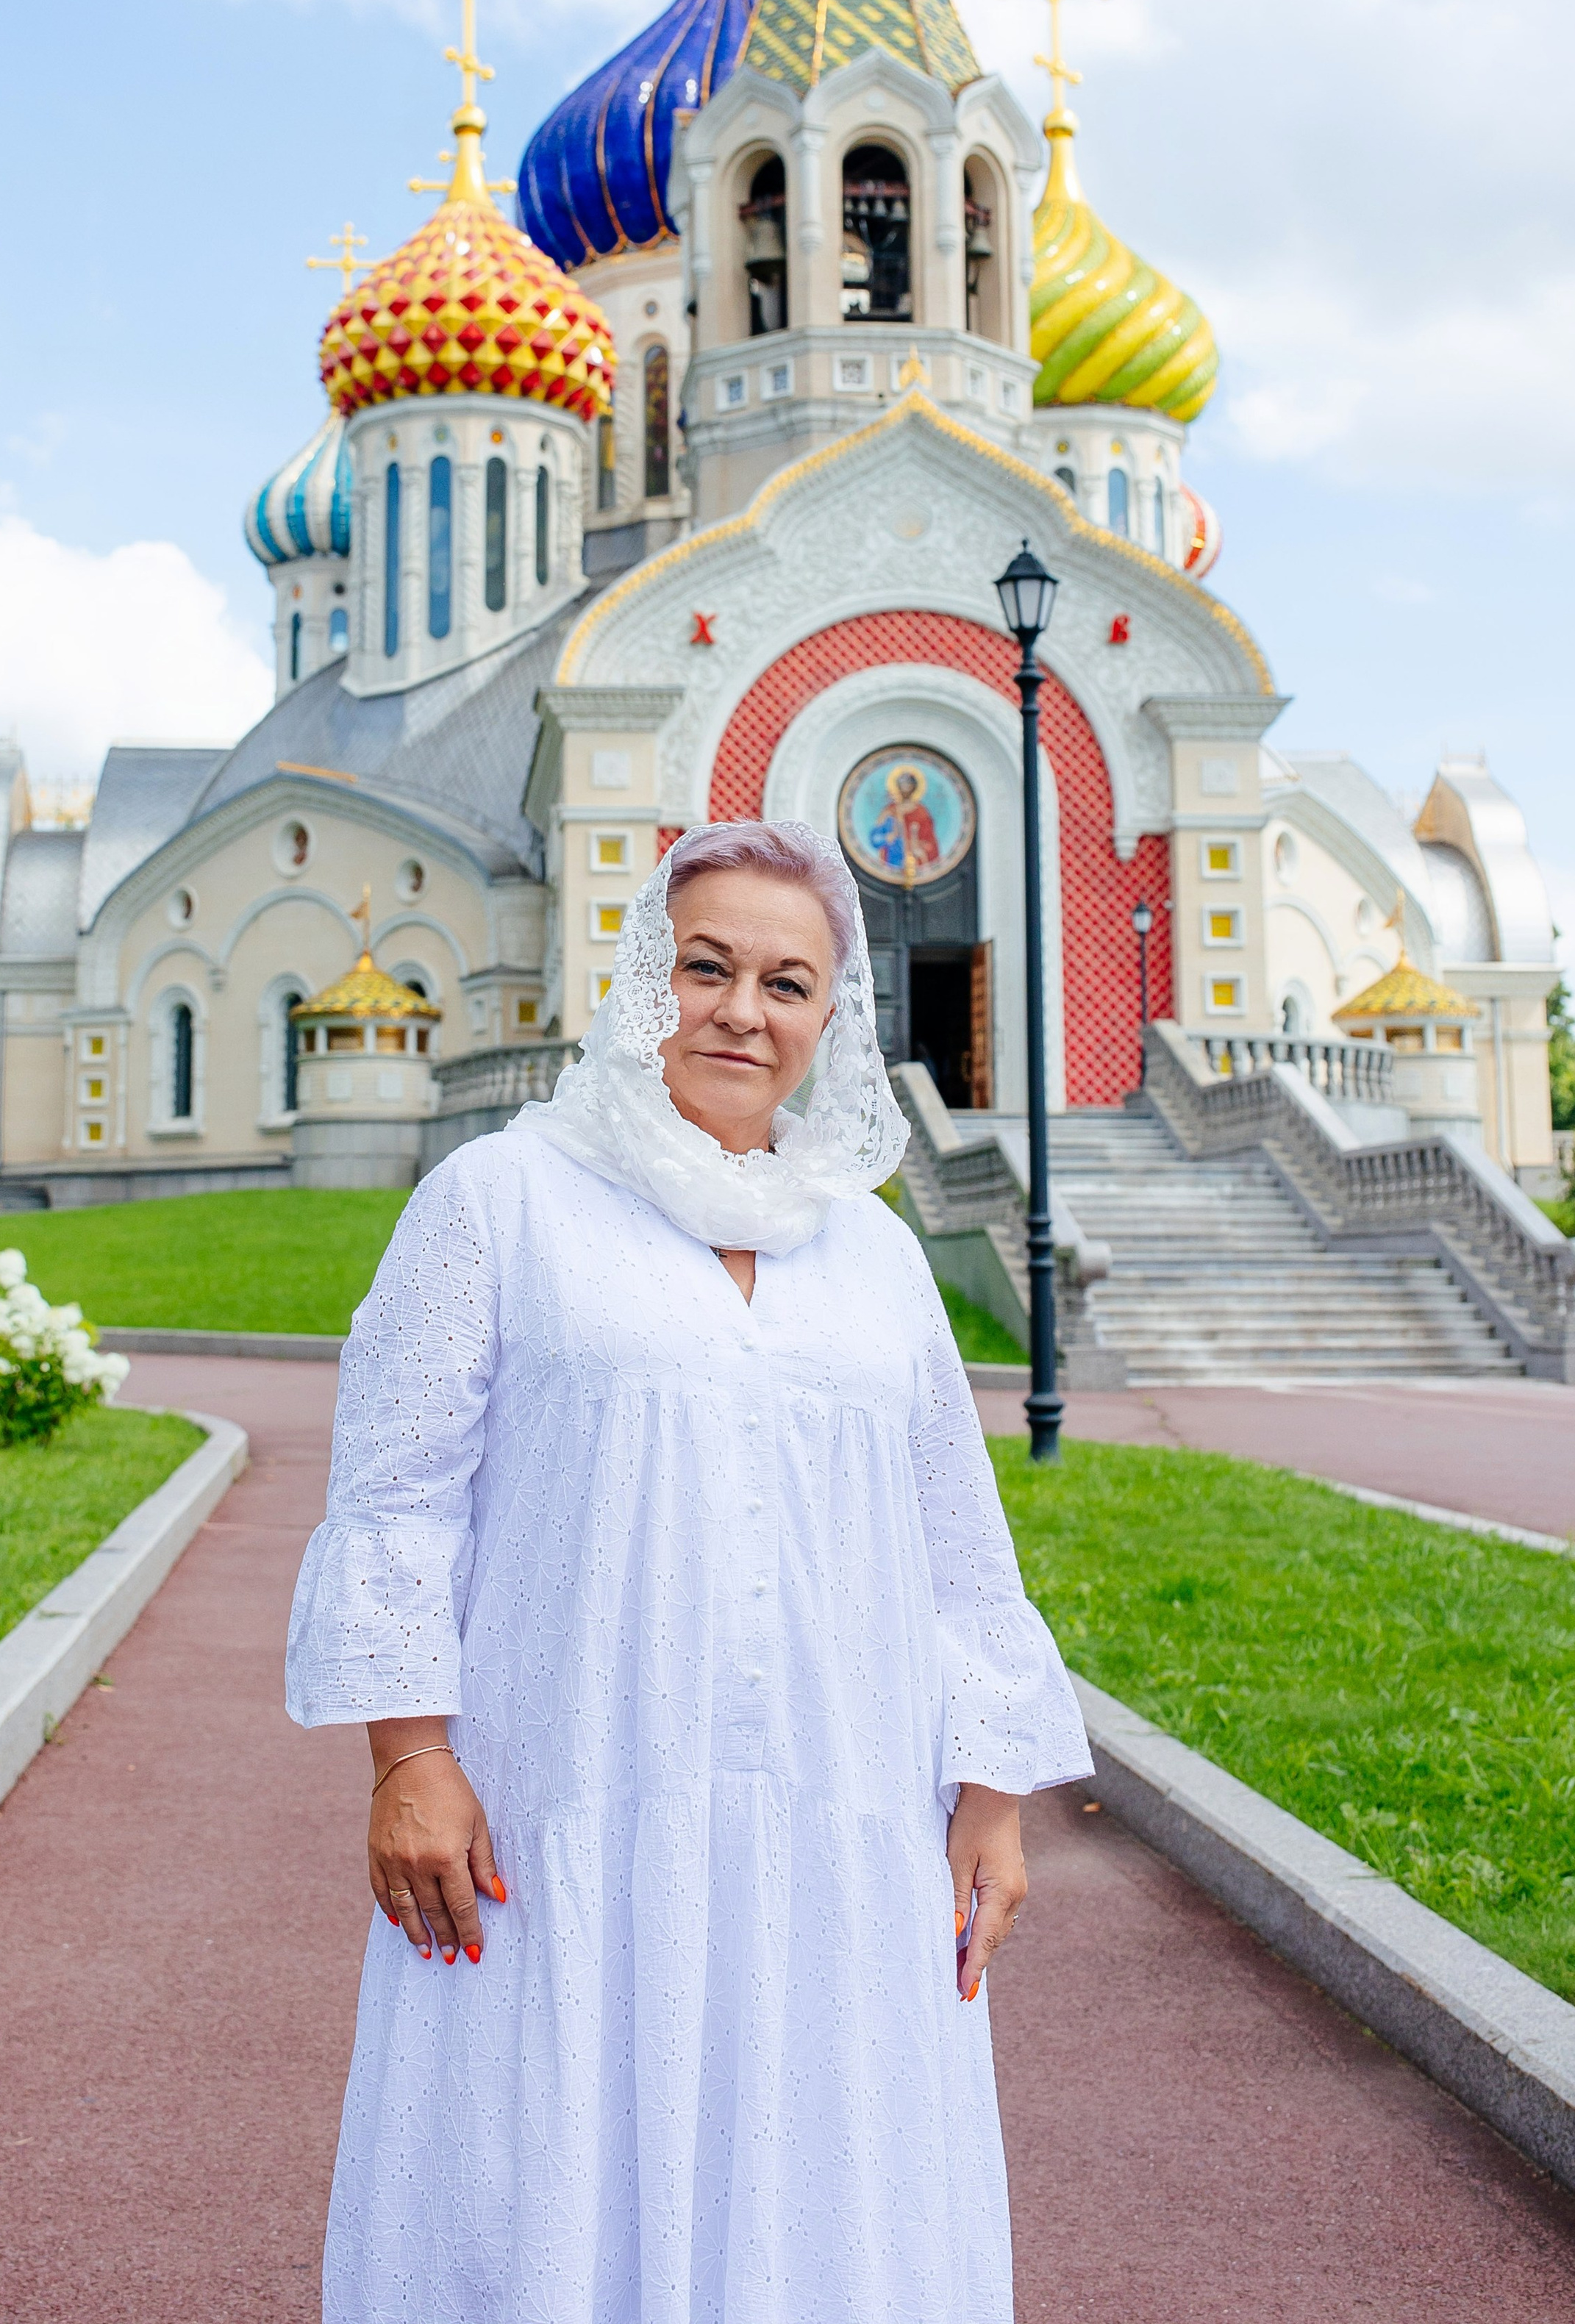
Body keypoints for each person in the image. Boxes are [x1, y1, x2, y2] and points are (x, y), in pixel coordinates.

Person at [286, 819, 1090, 2322]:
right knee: (545, 2160)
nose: (740, 1008)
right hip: (563, 1796)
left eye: (786, 982)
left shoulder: (870, 1255)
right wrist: (407, 1757)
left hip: (840, 1811)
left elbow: (956, 1547)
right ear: (642, 977)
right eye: (703, 965)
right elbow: (395, 1499)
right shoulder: (503, 1201)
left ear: (826, 1017)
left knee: (813, 2173)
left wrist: (991, 1806)